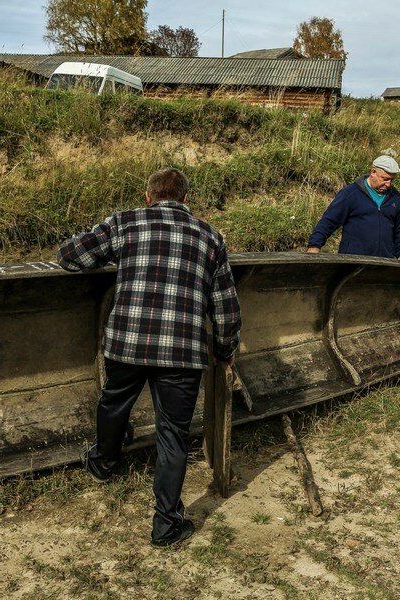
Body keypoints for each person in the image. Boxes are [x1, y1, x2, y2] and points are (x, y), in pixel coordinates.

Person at [57, 167, 242, 547]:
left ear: (148, 196)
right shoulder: (211, 237)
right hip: (182, 352)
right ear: (186, 200)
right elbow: (225, 307)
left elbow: (70, 255)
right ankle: (166, 526)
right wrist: (224, 352)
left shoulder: (125, 222)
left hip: (127, 344)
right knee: (172, 433)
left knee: (114, 402)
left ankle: (103, 465)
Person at [306, 155, 400, 261]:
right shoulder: (351, 193)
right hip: (352, 261)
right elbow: (329, 221)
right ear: (373, 172)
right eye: (385, 179)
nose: (388, 184)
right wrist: (314, 247)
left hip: (384, 264)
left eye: (391, 180)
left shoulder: (396, 199)